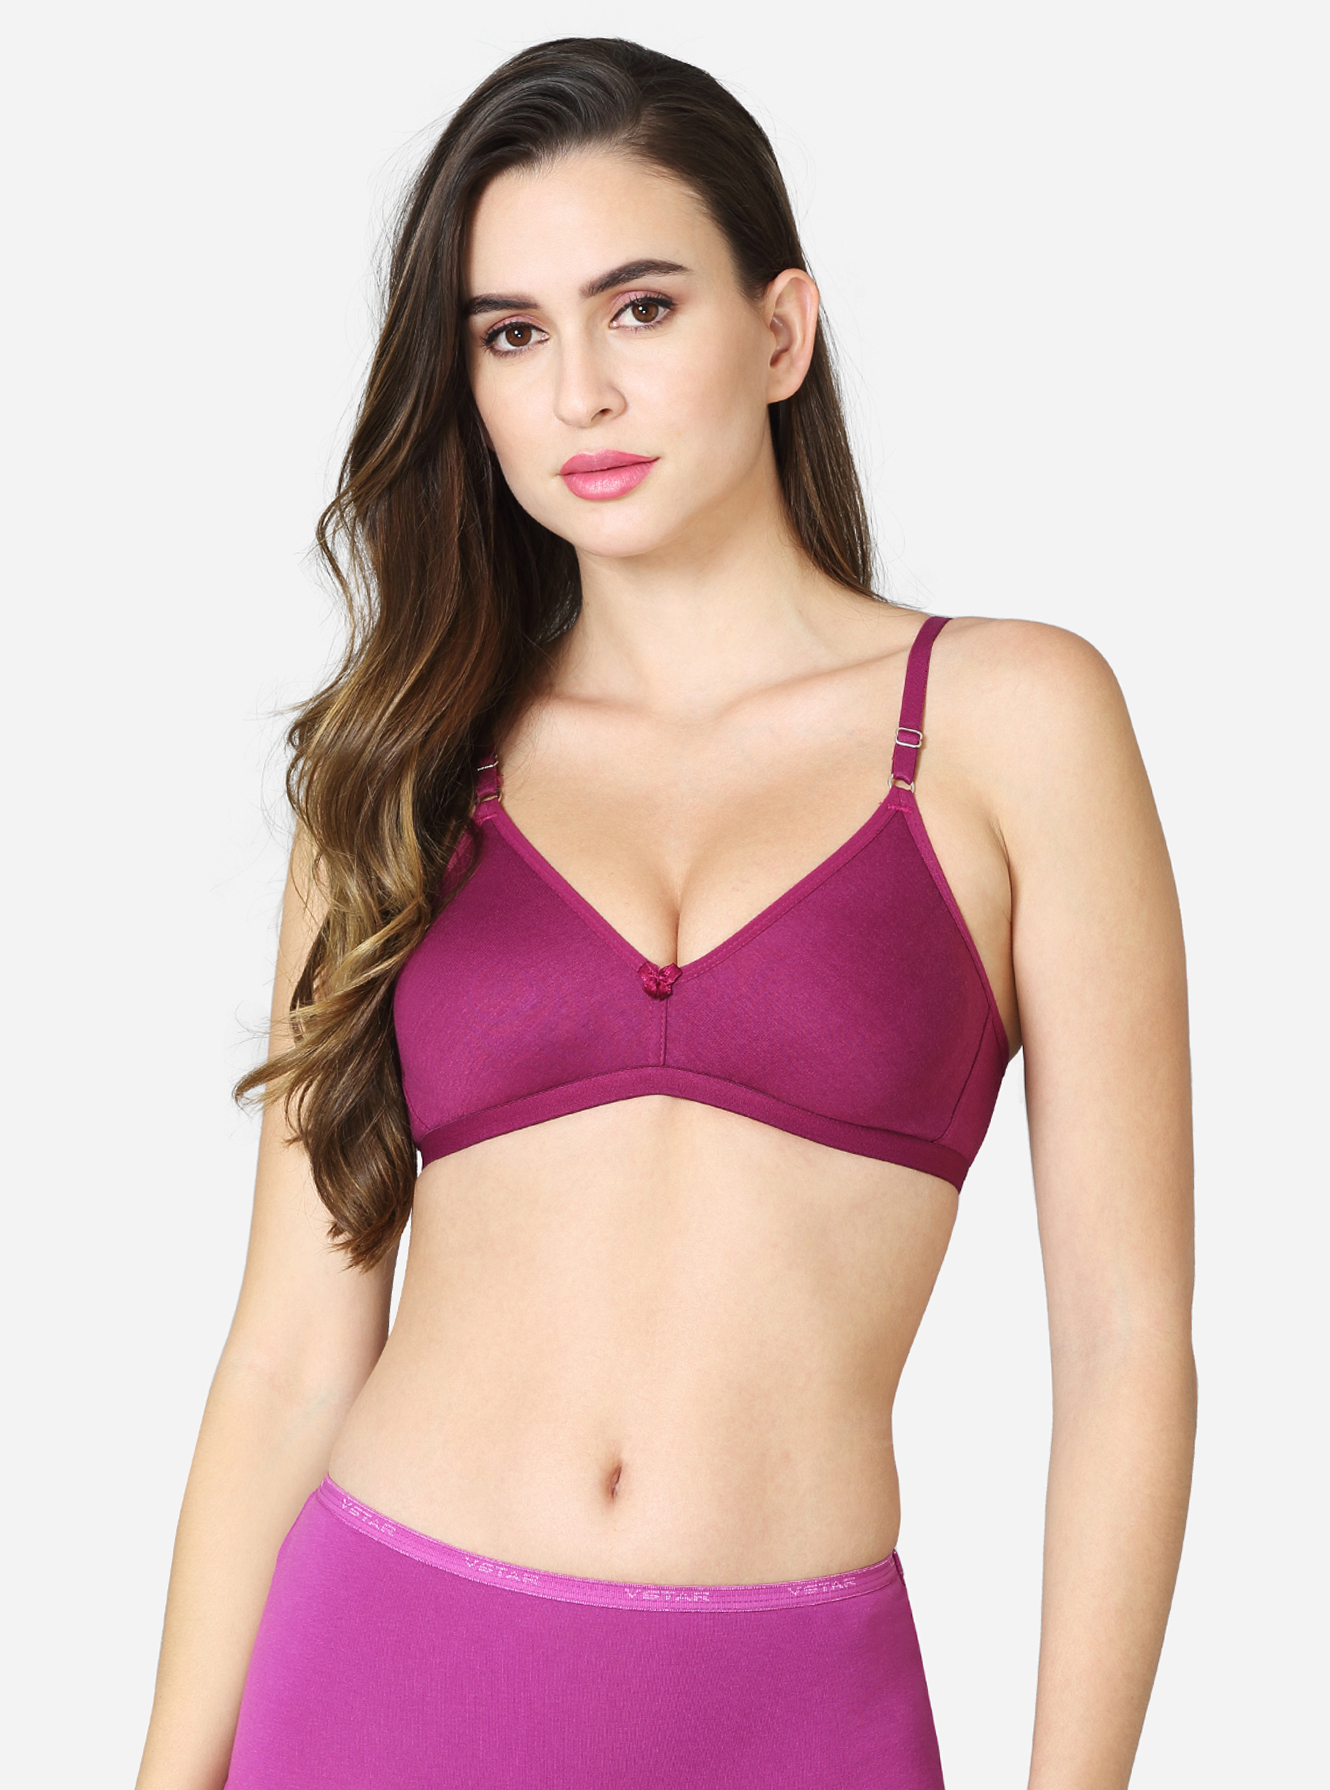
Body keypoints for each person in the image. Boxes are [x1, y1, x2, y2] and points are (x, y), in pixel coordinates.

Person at [135, 36, 1196, 1790]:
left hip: (788, 1711)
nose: (579, 394)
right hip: (376, 1673)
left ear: (779, 332)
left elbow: (1122, 1342)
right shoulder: (403, 764)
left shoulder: (1012, 722)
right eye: (509, 334)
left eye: (639, 309)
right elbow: (288, 1357)